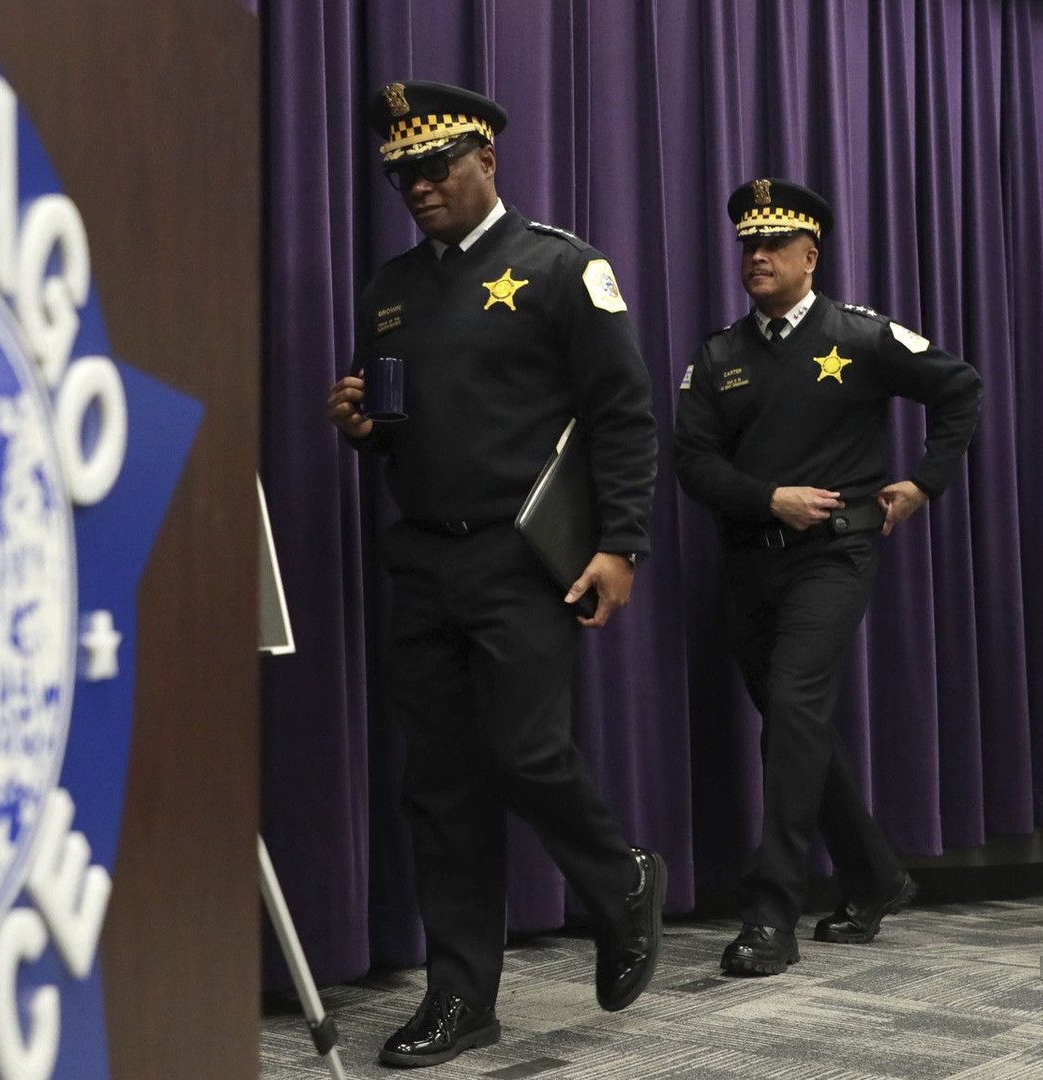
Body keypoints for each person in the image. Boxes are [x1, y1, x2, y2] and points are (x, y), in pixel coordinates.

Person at [323, 79, 663, 1068]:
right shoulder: (389, 287)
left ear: (488, 161)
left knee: (524, 752)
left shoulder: (563, 268)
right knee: (439, 786)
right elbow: (393, 428)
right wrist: (358, 429)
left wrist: (622, 544)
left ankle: (620, 879)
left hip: (524, 559)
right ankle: (460, 995)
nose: (418, 186)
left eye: (435, 167)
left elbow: (623, 416)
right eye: (402, 174)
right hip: (422, 554)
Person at [674, 178, 981, 976]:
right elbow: (692, 463)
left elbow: (960, 389)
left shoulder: (861, 335)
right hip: (747, 562)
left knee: (793, 709)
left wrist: (924, 481)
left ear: (811, 257)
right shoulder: (718, 356)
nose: (757, 256)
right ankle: (875, 876)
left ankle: (769, 914)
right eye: (748, 245)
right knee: (792, 723)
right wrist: (764, 497)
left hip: (836, 558)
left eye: (774, 245)